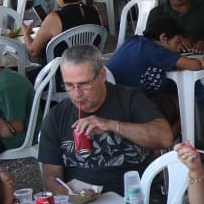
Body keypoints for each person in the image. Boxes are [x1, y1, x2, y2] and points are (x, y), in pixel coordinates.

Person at [38, 44, 173, 195]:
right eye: (69, 85)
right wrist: (66, 194)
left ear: (102, 75)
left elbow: (165, 138)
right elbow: (51, 176)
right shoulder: (56, 116)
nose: (76, 94)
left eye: (84, 84)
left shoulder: (130, 100)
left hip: (136, 194)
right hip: (83, 201)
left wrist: (111, 125)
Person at [23, 0, 102, 62]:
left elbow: (33, 51)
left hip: (60, 69)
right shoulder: (94, 11)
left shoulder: (54, 18)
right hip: (89, 67)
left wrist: (26, 33)